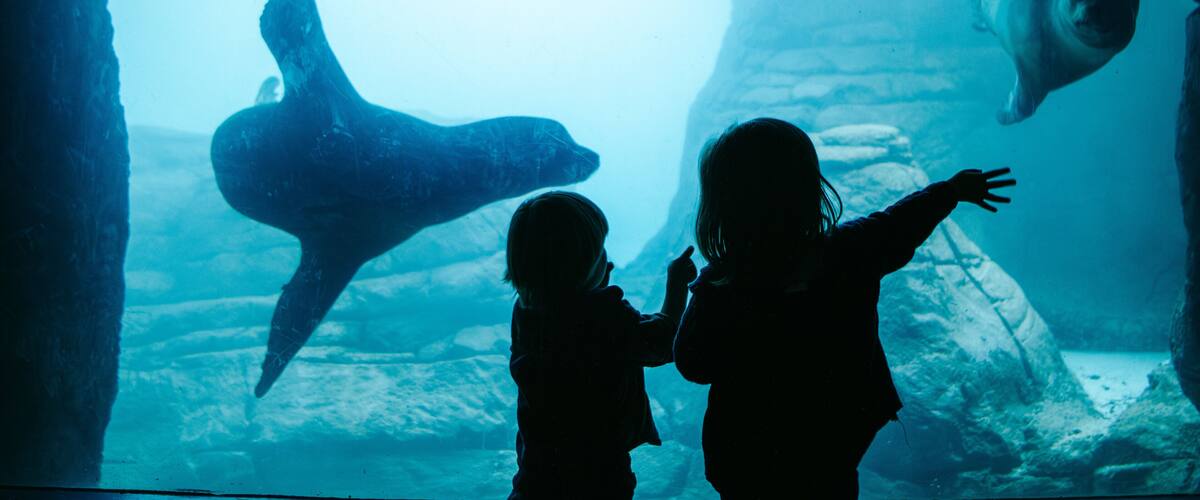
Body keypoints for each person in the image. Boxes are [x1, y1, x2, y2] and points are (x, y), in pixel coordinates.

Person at [673, 118, 1015, 498]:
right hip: (830, 441)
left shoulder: (722, 283)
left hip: (745, 454)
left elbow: (693, 362)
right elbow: (898, 223)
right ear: (808, 187)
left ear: (721, 204)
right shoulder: (847, 252)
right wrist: (950, 191)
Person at [503, 191, 698, 499]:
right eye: (599, 251)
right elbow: (659, 342)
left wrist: (593, 287)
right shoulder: (604, 314)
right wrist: (676, 289)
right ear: (582, 265)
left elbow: (575, 324)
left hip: (537, 471)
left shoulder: (526, 312)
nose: (609, 258)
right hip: (598, 473)